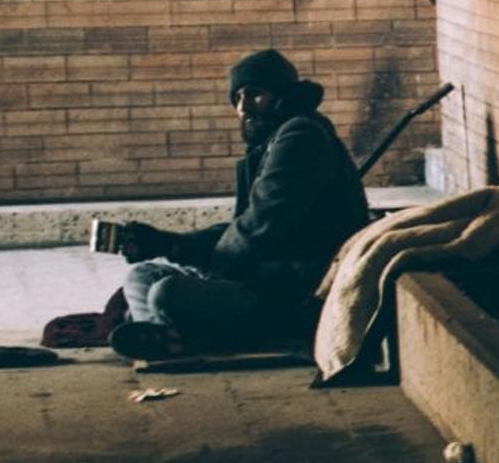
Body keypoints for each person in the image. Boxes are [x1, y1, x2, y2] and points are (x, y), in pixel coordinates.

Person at [109, 49, 371, 358]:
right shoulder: (272, 139)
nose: (244, 107)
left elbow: (259, 228)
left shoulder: (301, 135)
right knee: (142, 276)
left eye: (256, 94)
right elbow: (242, 225)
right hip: (260, 275)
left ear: (283, 97)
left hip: (291, 291)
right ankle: (174, 338)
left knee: (167, 293)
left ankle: (180, 335)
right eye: (238, 98)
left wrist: (205, 267)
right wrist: (169, 244)